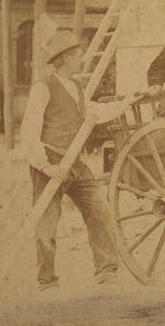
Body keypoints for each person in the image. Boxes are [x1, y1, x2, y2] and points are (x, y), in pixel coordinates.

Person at [20, 30, 132, 291]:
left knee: (100, 212)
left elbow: (95, 112)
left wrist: (127, 103)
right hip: (50, 163)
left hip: (75, 165)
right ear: (66, 57)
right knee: (47, 226)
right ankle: (46, 281)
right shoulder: (42, 88)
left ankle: (106, 271)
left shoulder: (79, 88)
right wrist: (45, 165)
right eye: (79, 53)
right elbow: (29, 131)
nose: (83, 57)